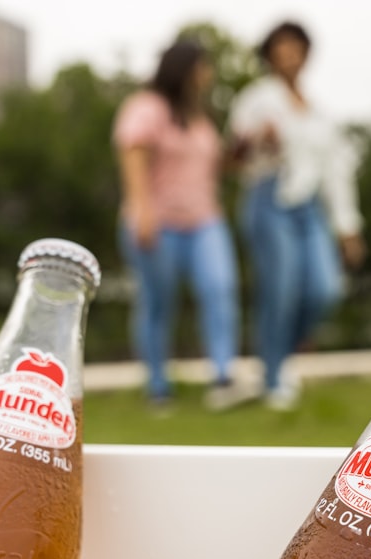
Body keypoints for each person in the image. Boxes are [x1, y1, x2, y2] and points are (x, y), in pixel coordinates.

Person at [229, 20, 366, 411]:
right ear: (270, 54)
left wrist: (348, 227)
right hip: (268, 198)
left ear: (306, 55)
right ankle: (274, 380)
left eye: (296, 48)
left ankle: (280, 357)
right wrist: (257, 140)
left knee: (326, 289)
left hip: (309, 208)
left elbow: (336, 172)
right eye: (281, 47)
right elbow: (234, 155)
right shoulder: (256, 98)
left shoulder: (319, 112)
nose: (288, 55)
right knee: (280, 290)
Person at [114, 39, 251, 411]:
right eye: (203, 67)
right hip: (158, 223)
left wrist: (237, 156)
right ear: (184, 69)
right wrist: (142, 213)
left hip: (205, 221)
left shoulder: (199, 116)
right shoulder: (147, 107)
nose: (208, 75)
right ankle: (158, 387)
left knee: (220, 290)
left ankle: (223, 376)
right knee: (158, 304)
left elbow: (210, 166)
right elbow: (133, 156)